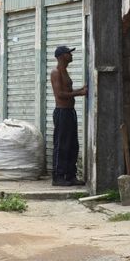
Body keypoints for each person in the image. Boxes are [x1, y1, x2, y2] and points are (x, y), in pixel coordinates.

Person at [50, 45, 87, 187]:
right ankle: (58, 177)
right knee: (61, 145)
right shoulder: (56, 72)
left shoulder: (65, 71)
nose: (71, 56)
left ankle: (70, 175)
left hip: (70, 112)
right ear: (61, 57)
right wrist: (80, 93)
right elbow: (60, 94)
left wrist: (81, 89)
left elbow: (68, 90)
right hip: (62, 112)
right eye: (68, 54)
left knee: (73, 145)